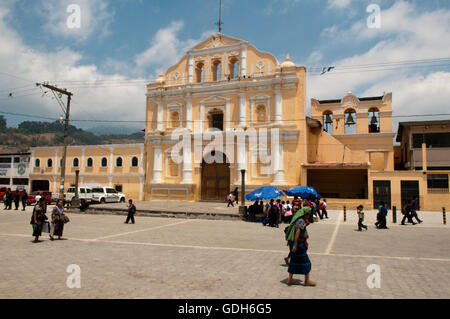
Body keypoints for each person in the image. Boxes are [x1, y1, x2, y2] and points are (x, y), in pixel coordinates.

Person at [285, 207, 316, 286]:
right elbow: (298, 232)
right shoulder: (301, 221)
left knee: (294, 261)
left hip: (296, 244)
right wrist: (295, 244)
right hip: (299, 245)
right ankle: (307, 281)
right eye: (308, 214)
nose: (308, 216)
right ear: (305, 214)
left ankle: (289, 280)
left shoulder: (298, 220)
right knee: (306, 262)